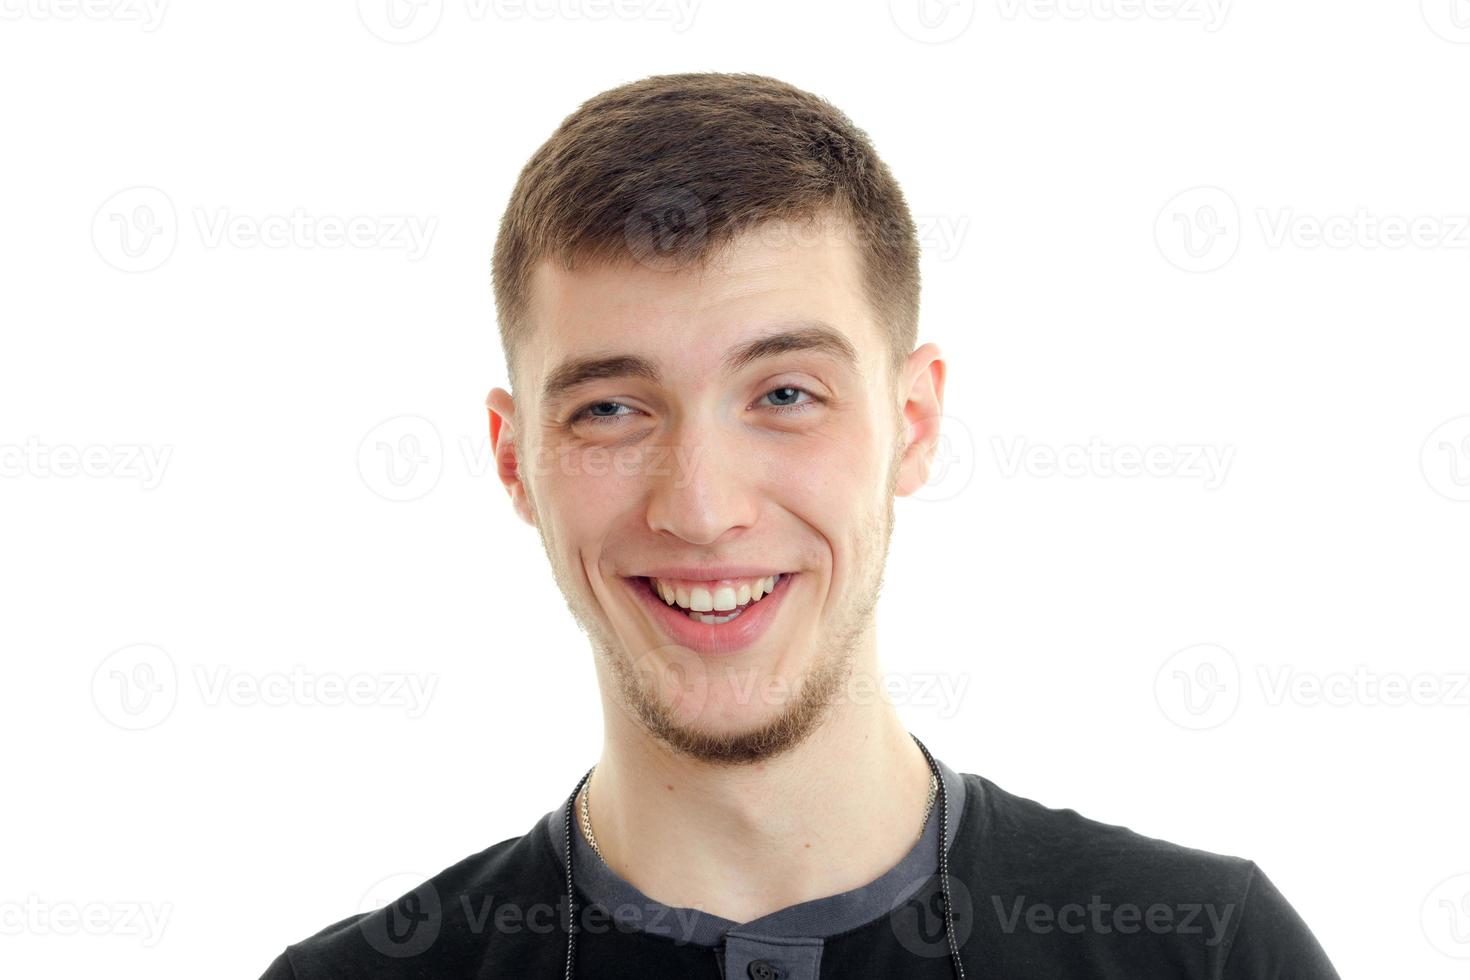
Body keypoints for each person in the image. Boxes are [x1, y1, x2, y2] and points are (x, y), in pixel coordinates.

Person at [258, 72, 1341, 979]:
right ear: (514, 462)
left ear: (911, 423)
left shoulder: (1208, 953)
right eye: (610, 409)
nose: (701, 506)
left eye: (784, 394)